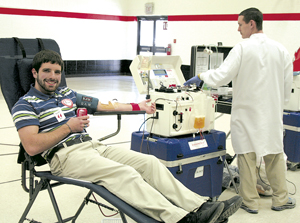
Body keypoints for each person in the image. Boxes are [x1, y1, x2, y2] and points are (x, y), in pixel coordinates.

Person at [12, 49, 242, 223]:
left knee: (150, 163)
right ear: (35, 73)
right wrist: (69, 127)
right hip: (65, 156)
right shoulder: (25, 105)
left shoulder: (66, 93)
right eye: (47, 71)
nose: (52, 77)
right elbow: (32, 146)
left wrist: (138, 106)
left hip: (92, 146)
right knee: (124, 173)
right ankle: (180, 219)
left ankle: (200, 207)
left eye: (57, 72)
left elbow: (104, 106)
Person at [184, 7, 296, 214]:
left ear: (251, 24)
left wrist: (201, 76)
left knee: (246, 156)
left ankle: (250, 202)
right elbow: (286, 86)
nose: (238, 29)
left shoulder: (242, 48)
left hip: (246, 113)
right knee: (274, 155)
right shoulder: (281, 50)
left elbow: (222, 76)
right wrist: (276, 103)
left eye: (240, 24)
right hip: (271, 113)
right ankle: (281, 199)